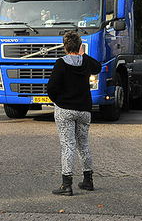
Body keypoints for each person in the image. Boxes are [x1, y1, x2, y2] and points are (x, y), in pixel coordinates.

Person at [47, 31, 101, 196]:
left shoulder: (61, 64)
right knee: (83, 144)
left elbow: (51, 88)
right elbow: (98, 67)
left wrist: (58, 101)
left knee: (68, 145)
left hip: (65, 110)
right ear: (79, 47)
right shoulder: (85, 62)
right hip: (84, 110)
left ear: (64, 47)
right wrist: (83, 54)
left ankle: (66, 184)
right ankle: (88, 180)